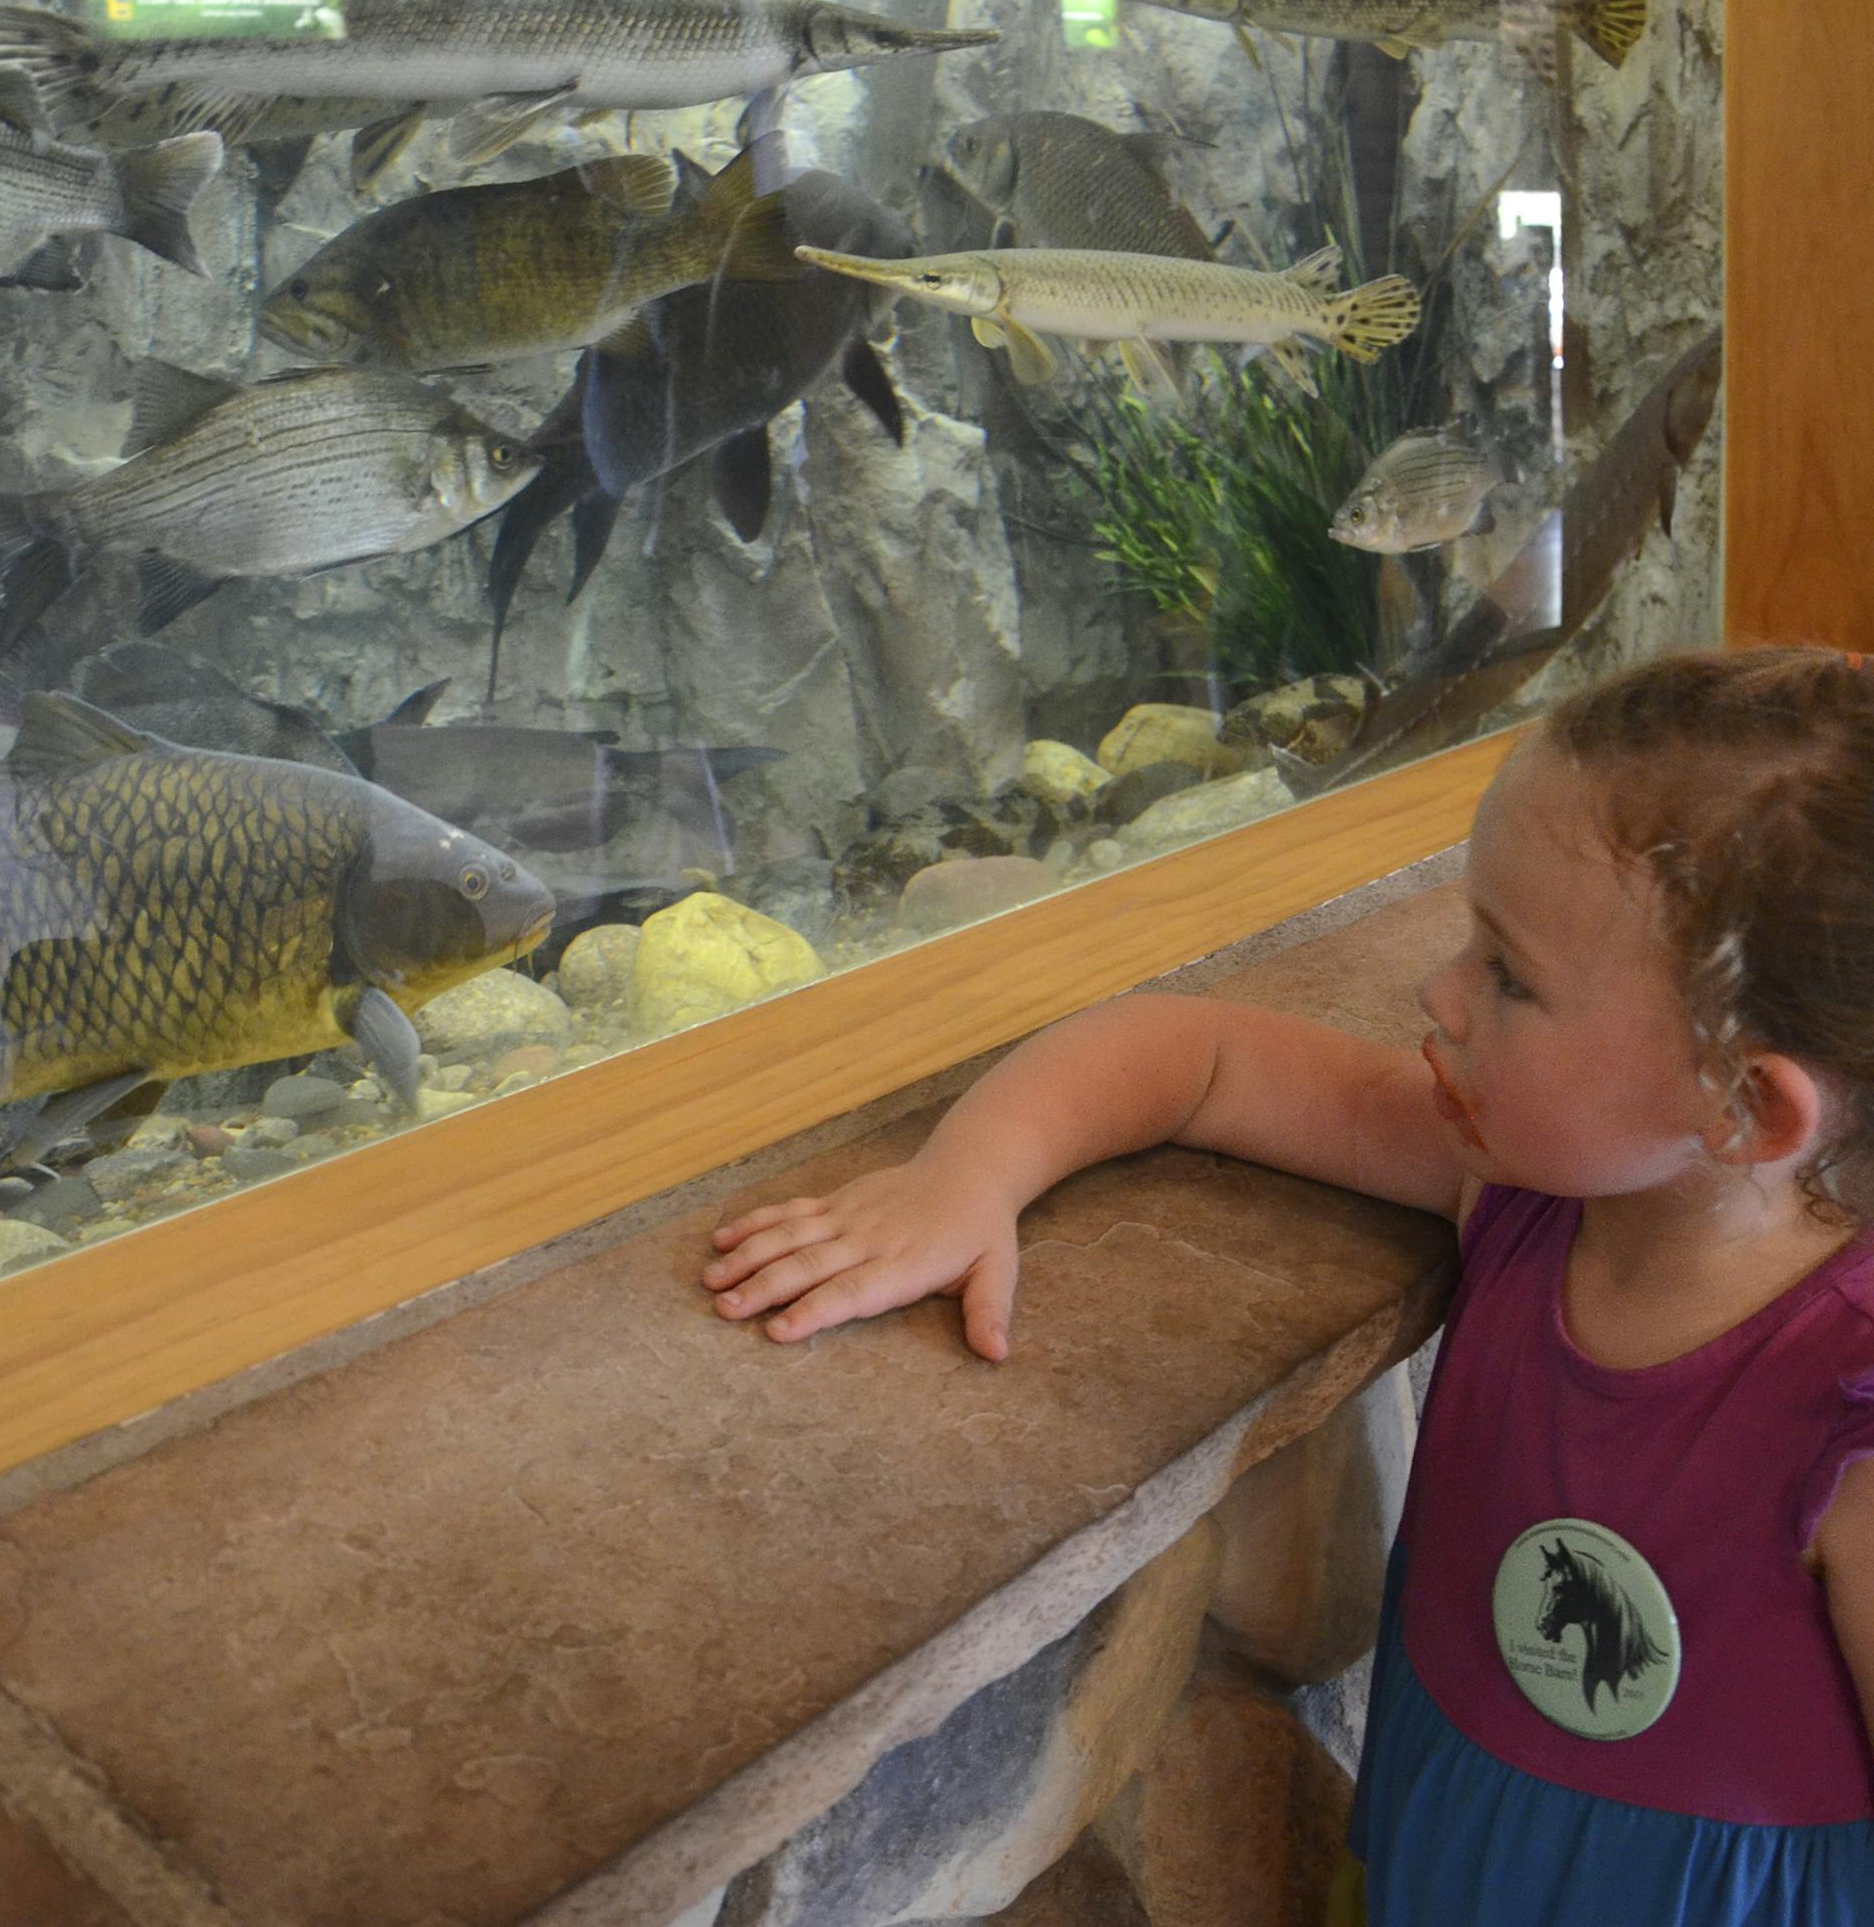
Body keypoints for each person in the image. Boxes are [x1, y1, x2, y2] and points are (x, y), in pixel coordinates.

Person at [701, 645, 1874, 1925]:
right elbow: (1196, 1055)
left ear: (1749, 1104)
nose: (1440, 992)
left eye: (1510, 974)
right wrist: (967, 1176)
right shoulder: (1529, 1194)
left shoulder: (1845, 1423)